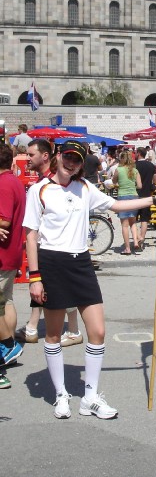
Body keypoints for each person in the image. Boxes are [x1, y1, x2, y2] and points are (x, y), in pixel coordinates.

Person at [23, 140, 156, 419]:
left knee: (98, 331)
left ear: (82, 163)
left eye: (77, 160)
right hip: (52, 263)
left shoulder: (86, 188)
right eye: (67, 157)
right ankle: (61, 394)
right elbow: (31, 234)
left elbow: (116, 204)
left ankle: (90, 397)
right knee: (53, 334)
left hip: (81, 264)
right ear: (57, 157)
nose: (71, 163)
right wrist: (35, 277)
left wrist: (153, 199)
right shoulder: (38, 190)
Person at [15, 139, 83, 347]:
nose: (27, 159)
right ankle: (38, 326)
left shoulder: (53, 182)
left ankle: (68, 329)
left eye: (31, 155)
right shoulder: (41, 183)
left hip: (60, 250)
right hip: (49, 250)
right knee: (43, 286)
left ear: (45, 156)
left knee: (55, 286)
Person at [0, 144, 26, 384]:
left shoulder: (4, 184)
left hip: (3, 253)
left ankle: (7, 348)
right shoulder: (14, 181)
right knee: (6, 300)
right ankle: (9, 350)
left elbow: (4, 221)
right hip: (12, 252)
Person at [112, 150, 142, 255]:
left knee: (124, 225)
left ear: (121, 159)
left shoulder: (118, 169)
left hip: (123, 196)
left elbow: (113, 181)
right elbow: (139, 186)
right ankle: (135, 241)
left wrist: (119, 184)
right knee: (133, 222)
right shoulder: (135, 170)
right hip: (134, 196)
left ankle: (127, 248)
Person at [135, 147, 156, 251]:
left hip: (135, 195)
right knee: (144, 219)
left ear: (138, 153)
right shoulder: (151, 166)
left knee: (133, 220)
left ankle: (136, 239)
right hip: (147, 195)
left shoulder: (134, 166)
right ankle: (142, 239)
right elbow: (154, 180)